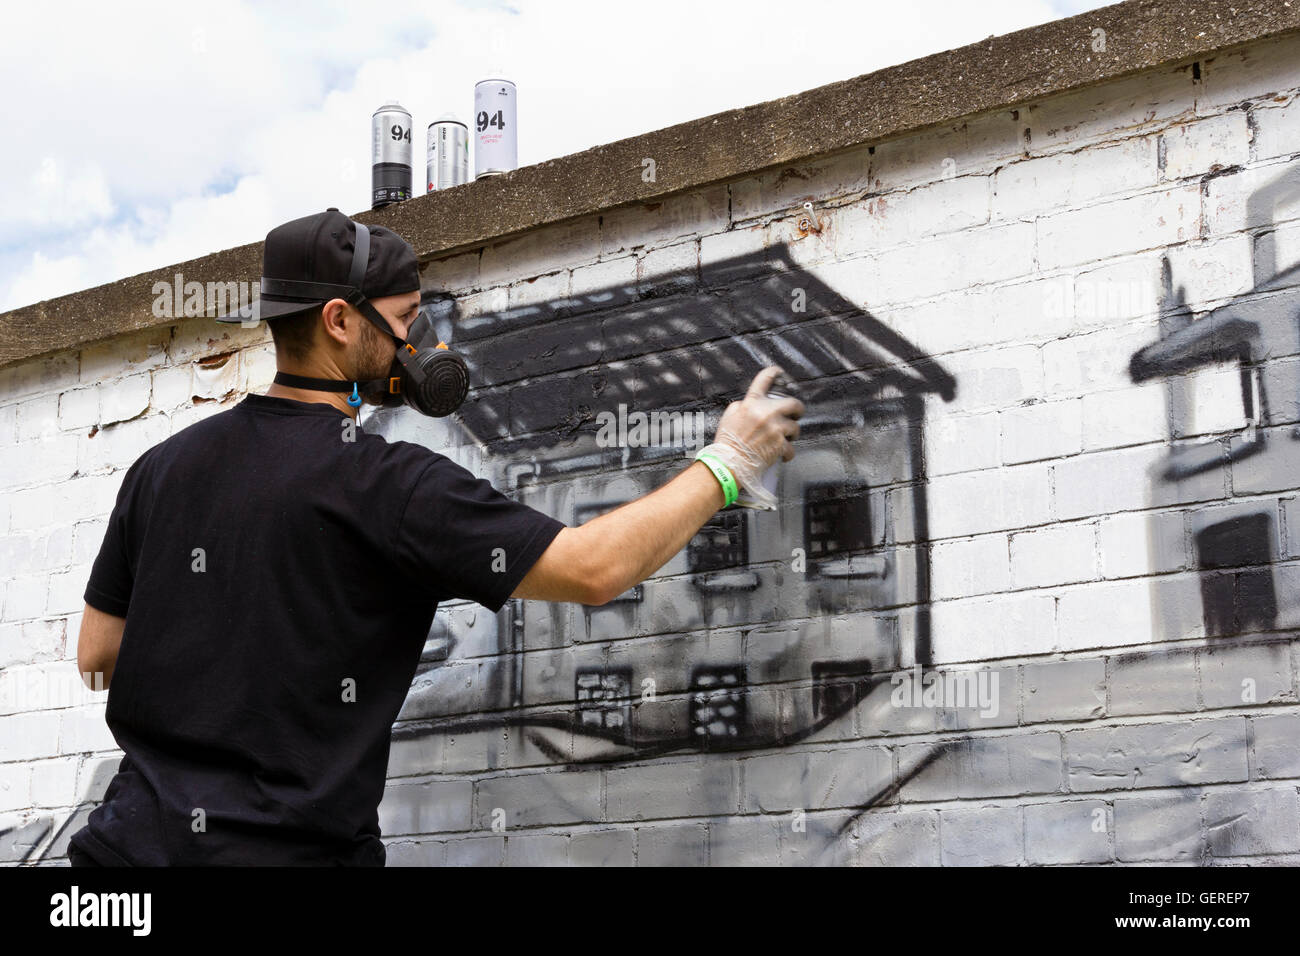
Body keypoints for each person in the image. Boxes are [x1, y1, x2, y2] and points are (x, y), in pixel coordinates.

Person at [68, 208, 803, 866]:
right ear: (338, 321)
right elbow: (595, 570)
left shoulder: (159, 469)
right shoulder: (387, 485)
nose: (421, 343)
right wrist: (727, 462)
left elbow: (97, 653)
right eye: (408, 317)